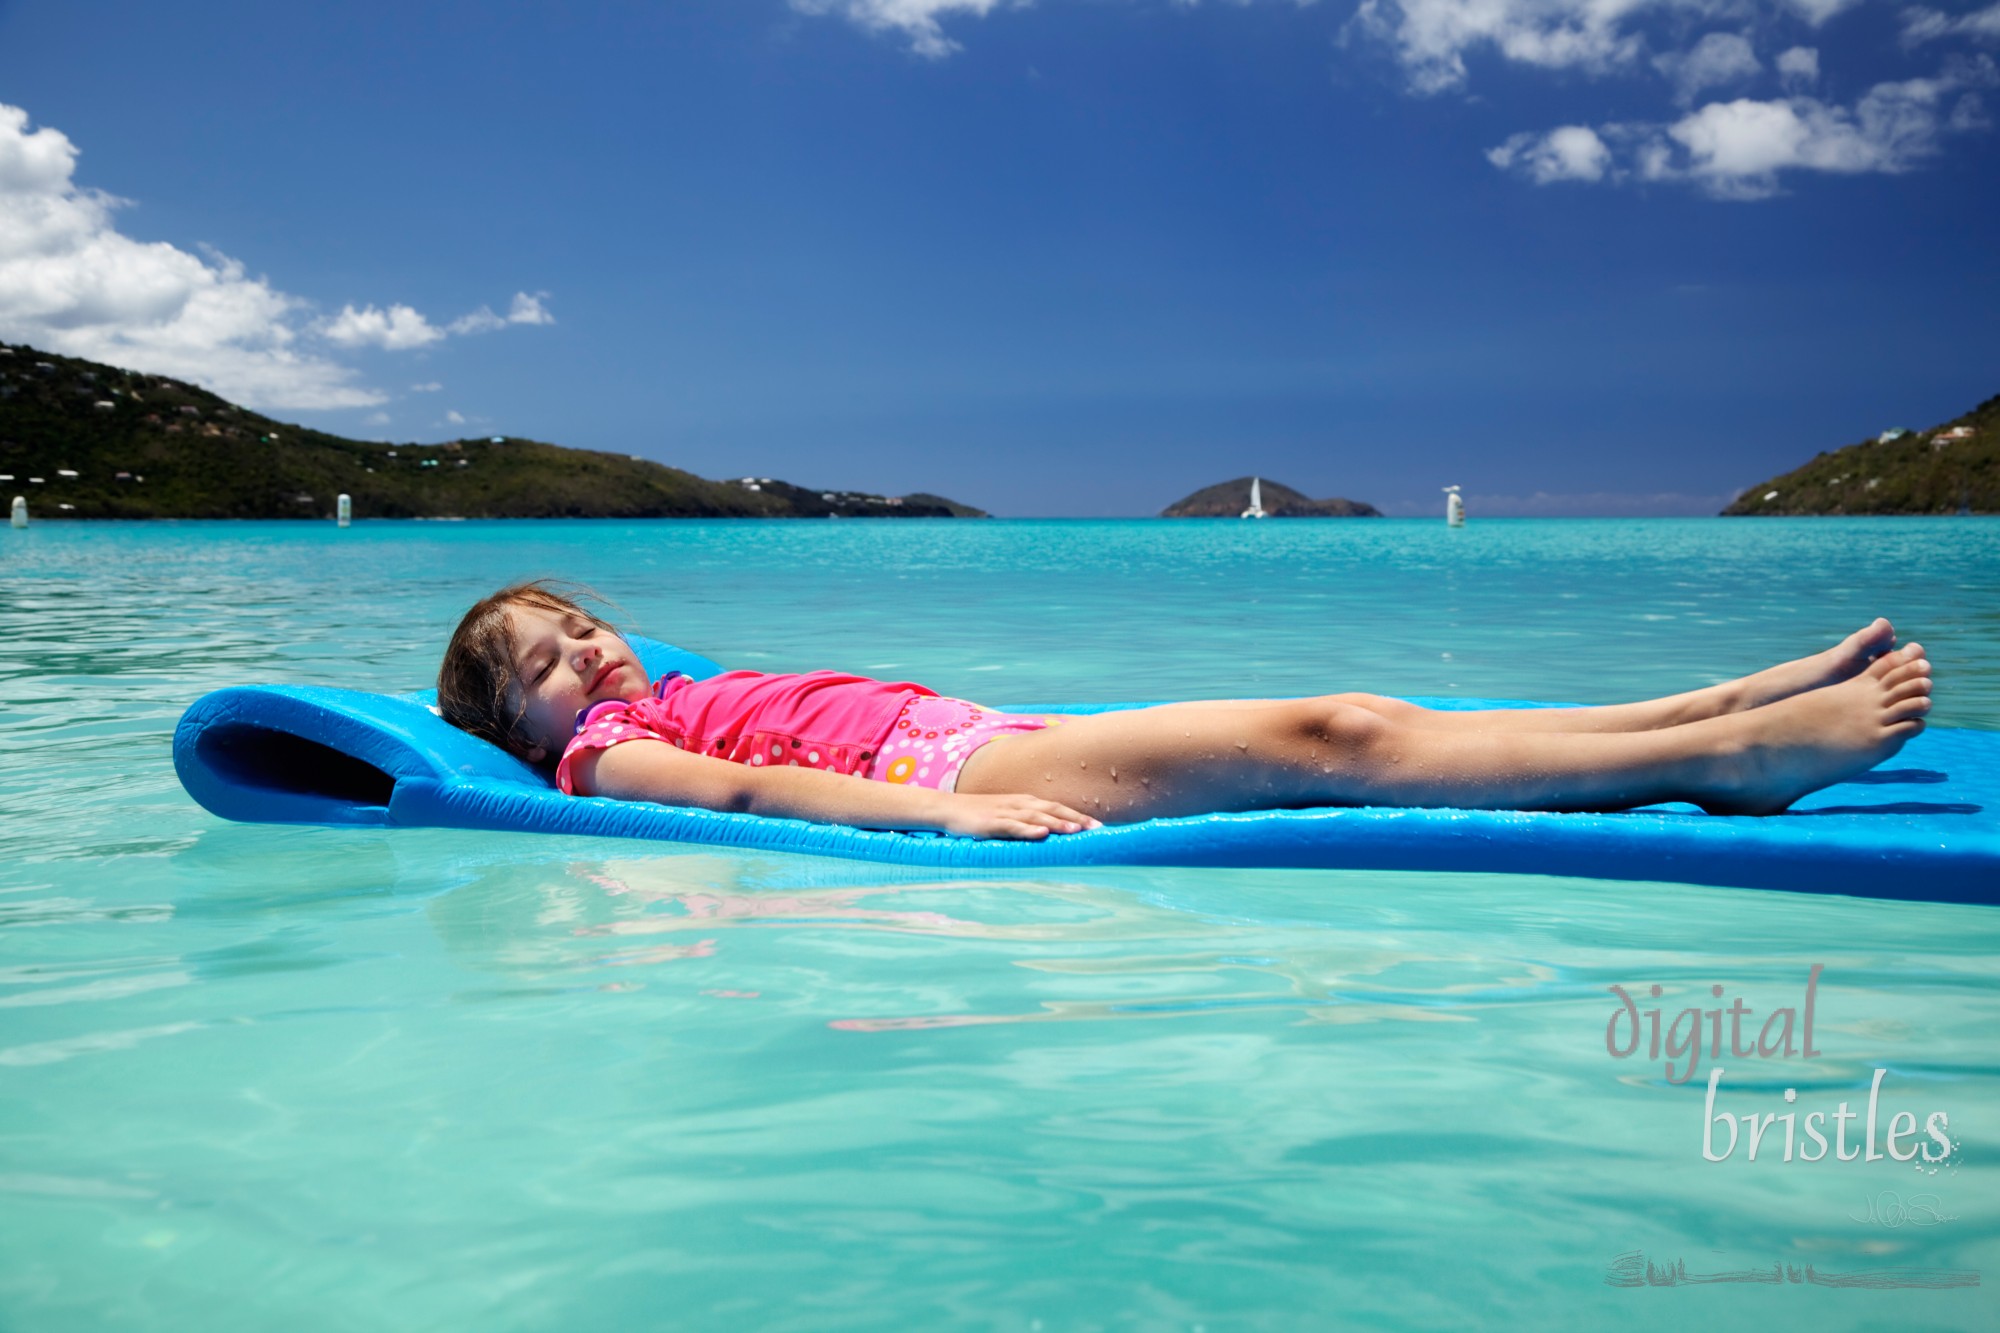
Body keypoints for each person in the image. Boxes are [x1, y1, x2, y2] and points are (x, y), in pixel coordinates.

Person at [437, 581, 1933, 841]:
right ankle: (1726, 760)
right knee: (1337, 740)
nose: (589, 651)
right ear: (526, 728)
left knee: (1362, 716)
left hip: (985, 731)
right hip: (965, 766)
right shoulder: (599, 753)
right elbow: (750, 800)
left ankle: (1707, 703)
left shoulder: (673, 684)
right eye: (547, 660)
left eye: (584, 623)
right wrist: (944, 812)